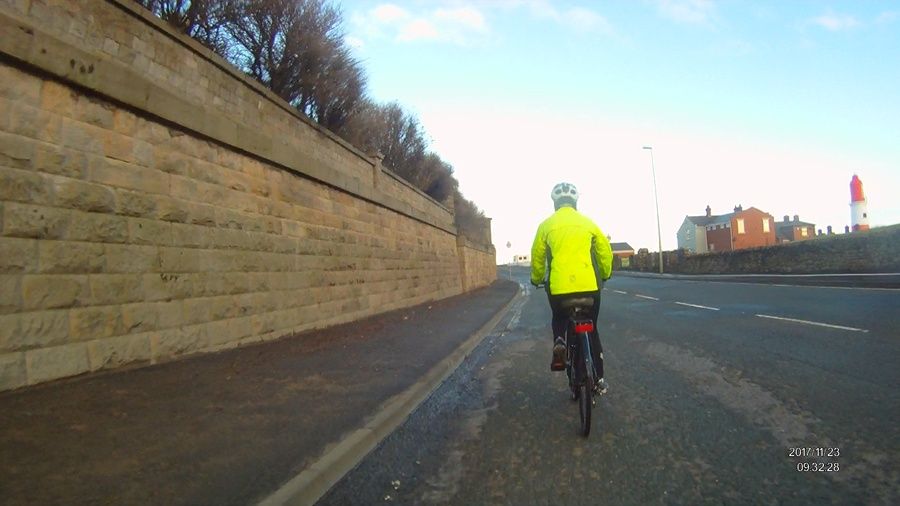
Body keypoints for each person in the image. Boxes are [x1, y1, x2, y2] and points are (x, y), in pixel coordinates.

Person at [530, 182, 613, 393]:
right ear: (575, 201)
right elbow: (605, 252)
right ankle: (600, 379)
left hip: (559, 289)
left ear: (555, 202)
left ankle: (560, 340)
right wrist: (605, 273)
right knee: (592, 328)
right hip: (589, 287)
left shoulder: (546, 226)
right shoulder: (588, 223)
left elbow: (538, 258)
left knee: (559, 317)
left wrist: (536, 278)